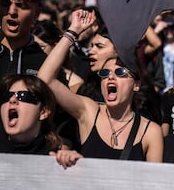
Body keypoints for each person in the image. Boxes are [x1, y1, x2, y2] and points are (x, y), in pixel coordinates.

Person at [37, 9, 163, 161]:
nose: (111, 78)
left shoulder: (151, 132)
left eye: (120, 73)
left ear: (136, 85)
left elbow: (155, 183)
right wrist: (72, 32)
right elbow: (45, 78)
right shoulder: (89, 112)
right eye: (105, 74)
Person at [0, 0, 66, 149]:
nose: (12, 11)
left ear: (37, 12)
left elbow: (61, 121)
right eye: (6, 3)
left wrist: (63, 147)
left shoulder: (45, 63)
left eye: (21, 5)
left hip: (24, 166)